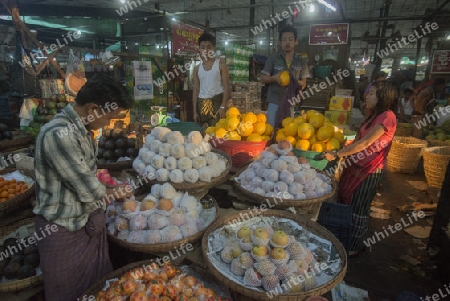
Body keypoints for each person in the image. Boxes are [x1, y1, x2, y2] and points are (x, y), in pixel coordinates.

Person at [33, 74, 135, 301]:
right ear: (92, 109)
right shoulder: (59, 135)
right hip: (63, 231)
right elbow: (90, 191)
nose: (109, 124)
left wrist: (113, 188)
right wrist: (119, 192)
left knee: (97, 291)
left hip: (84, 224)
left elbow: (87, 176)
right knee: (69, 295)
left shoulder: (82, 131)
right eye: (109, 117)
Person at [322, 81, 398, 256]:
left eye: (372, 94)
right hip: (356, 166)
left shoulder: (387, 116)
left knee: (359, 207)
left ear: (383, 97)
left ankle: (355, 247)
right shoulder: (374, 115)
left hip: (369, 170)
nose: (367, 96)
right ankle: (346, 240)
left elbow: (365, 143)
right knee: (349, 202)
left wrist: (338, 154)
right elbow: (358, 139)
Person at [261, 25, 306, 127]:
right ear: (280, 42)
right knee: (271, 130)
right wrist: (274, 78)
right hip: (274, 102)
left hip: (291, 103)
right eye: (284, 40)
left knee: (289, 133)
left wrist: (294, 83)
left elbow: (304, 83)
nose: (287, 42)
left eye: (290, 39)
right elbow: (263, 78)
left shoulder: (301, 61)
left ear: (296, 41)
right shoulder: (273, 59)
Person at [193, 33, 230, 126]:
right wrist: (194, 111)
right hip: (201, 105)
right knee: (203, 134)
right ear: (199, 49)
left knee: (216, 133)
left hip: (217, 104)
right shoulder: (197, 68)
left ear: (213, 48)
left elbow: (227, 88)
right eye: (202, 47)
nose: (205, 50)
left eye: (208, 47)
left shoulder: (221, 65)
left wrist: (223, 106)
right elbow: (196, 90)